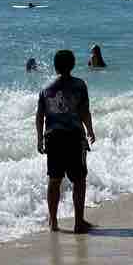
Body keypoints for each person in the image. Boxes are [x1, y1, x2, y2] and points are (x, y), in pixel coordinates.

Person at [36, 49, 95, 234]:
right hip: (74, 137)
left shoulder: (46, 89)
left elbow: (40, 116)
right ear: (73, 65)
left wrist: (39, 138)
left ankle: (53, 222)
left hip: (53, 138)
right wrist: (90, 129)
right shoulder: (79, 85)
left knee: (54, 180)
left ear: (55, 67)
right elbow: (84, 111)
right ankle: (79, 222)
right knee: (79, 180)